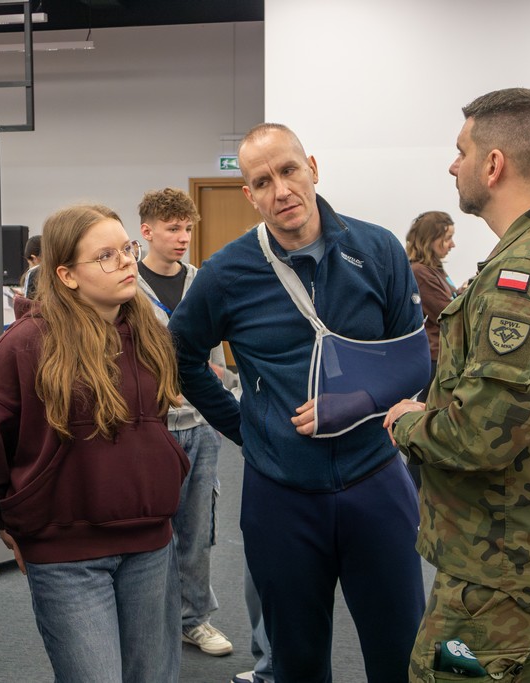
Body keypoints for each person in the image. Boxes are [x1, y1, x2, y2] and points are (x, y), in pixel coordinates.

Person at [168, 123, 426, 682]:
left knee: (401, 652)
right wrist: (246, 426)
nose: (281, 190)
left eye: (288, 171)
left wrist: (356, 403)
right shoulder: (227, 273)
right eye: (263, 182)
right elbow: (180, 356)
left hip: (375, 479)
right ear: (249, 194)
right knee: (296, 663)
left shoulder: (377, 248)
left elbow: (413, 360)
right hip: (281, 494)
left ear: (312, 168)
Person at [386, 88, 530, 681]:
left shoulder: (526, 272)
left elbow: (481, 435)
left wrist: (407, 422)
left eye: (461, 151)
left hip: (503, 572)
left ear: (494, 164)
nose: (452, 165)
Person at [0, 204, 189, 682]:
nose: (126, 261)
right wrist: (6, 516)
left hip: (150, 543)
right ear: (66, 275)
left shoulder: (149, 334)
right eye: (105, 255)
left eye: (127, 248)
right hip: (65, 555)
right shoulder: (24, 344)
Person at [136, 187, 233, 657]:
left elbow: (218, 362)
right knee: (150, 531)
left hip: (199, 426)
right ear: (147, 231)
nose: (182, 238)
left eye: (187, 229)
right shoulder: (129, 287)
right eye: (173, 229)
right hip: (149, 427)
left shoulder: (202, 282)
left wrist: (221, 385)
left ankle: (194, 619)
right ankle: (152, 619)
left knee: (197, 532)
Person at [403, 210, 460, 489]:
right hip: (435, 358)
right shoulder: (420, 272)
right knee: (429, 425)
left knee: (433, 423)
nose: (452, 245)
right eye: (447, 238)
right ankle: (413, 488)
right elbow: (448, 313)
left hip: (442, 355)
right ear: (431, 239)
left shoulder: (435, 270)